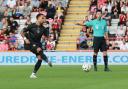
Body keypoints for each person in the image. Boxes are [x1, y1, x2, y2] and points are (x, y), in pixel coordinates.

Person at [21, 14, 52, 78]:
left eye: (44, 18)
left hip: (37, 43)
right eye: (42, 18)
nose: (44, 19)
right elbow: (22, 32)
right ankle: (47, 60)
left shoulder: (43, 28)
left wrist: (49, 28)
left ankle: (33, 74)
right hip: (29, 43)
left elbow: (48, 38)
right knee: (39, 49)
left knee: (40, 59)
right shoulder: (31, 26)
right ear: (37, 18)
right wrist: (25, 39)